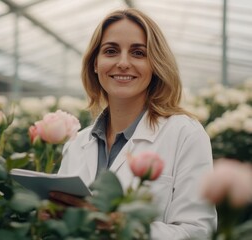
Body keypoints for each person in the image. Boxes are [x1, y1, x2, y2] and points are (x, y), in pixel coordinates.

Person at [51, 8, 217, 240]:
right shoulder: (77, 142)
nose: (123, 63)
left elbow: (199, 232)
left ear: (155, 64)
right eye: (111, 51)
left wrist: (120, 226)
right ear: (95, 64)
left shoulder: (185, 133)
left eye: (138, 53)